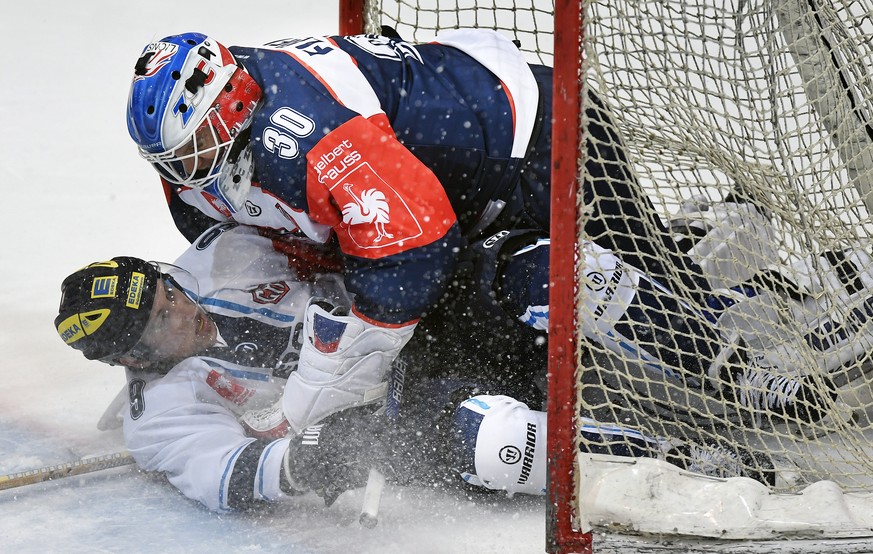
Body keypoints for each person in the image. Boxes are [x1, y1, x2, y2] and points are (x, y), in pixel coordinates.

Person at [124, 28, 732, 435]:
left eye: (195, 145)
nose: (183, 172)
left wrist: (333, 380)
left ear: (233, 104)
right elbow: (320, 245)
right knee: (477, 349)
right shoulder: (200, 169)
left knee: (622, 274)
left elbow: (415, 249)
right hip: (454, 195)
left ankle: (736, 359)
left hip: (539, 139)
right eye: (170, 158)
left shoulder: (309, 135)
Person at [55, 222, 784, 512]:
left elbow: (350, 233)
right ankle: (684, 461)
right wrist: (313, 458)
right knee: (493, 442)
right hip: (404, 406)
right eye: (156, 323)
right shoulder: (159, 420)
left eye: (166, 293)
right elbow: (234, 477)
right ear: (128, 357)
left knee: (541, 268)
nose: (181, 311)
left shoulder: (224, 253)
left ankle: (731, 332)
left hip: (423, 319)